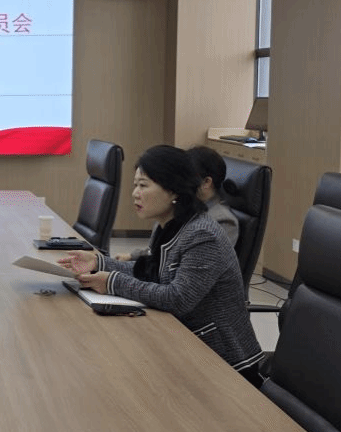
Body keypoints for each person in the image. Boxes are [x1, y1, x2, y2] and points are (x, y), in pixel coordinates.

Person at [59, 144, 262, 386]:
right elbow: (151, 271)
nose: (135, 193)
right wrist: (98, 262)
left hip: (223, 363)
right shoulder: (169, 225)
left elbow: (177, 298)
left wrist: (111, 282)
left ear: (174, 189)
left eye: (143, 185)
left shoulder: (203, 234)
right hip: (182, 344)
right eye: (135, 185)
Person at [186, 145, 240, 247]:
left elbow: (202, 256)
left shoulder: (223, 221)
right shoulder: (187, 207)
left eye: (186, 177)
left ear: (206, 182)